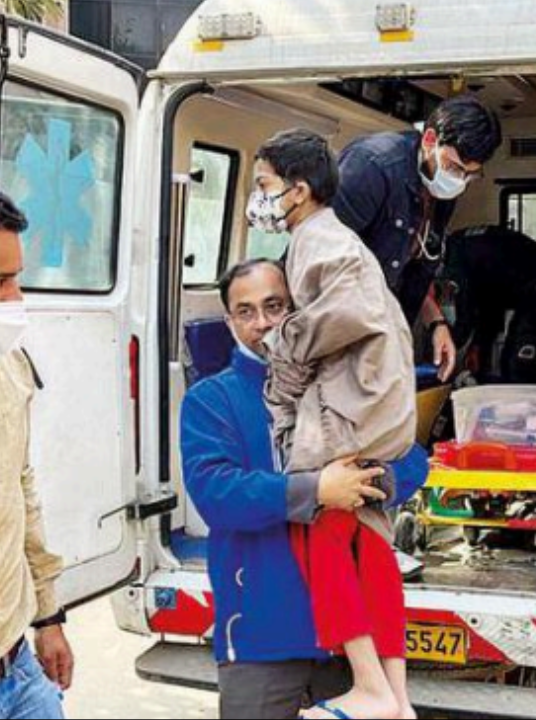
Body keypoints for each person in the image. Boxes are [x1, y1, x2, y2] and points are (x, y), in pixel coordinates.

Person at [181, 257, 429, 719]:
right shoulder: (212, 400)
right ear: (230, 321)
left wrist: (373, 480)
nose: (263, 324)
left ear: (299, 308)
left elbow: (413, 457)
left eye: (275, 306)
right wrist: (318, 490)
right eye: (246, 311)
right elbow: (218, 493)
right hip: (262, 639)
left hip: (352, 643)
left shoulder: (345, 382)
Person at [248, 127, 419, 720]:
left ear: (297, 192)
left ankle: (370, 686)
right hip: (378, 407)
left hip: (352, 408)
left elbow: (347, 313)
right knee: (368, 536)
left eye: (264, 186)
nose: (259, 198)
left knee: (316, 522)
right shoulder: (338, 240)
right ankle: (396, 695)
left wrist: (284, 350)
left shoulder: (316, 240)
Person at [333, 95, 503, 382]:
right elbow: (321, 261)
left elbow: (413, 262)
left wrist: (436, 322)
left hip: (380, 333)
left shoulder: (440, 193)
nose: (459, 180)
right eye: (453, 167)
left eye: (469, 175)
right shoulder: (372, 166)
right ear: (429, 139)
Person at [0, 191, 73, 719]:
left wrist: (47, 617)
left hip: (16, 664)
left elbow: (20, 487)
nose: (15, 298)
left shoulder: (9, 367)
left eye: (15, 277)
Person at [436, 225, 536, 383]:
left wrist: (445, 347)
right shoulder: (466, 245)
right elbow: (489, 304)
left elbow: (467, 314)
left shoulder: (456, 260)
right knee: (515, 357)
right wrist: (477, 345)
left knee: (518, 365)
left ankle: (521, 401)